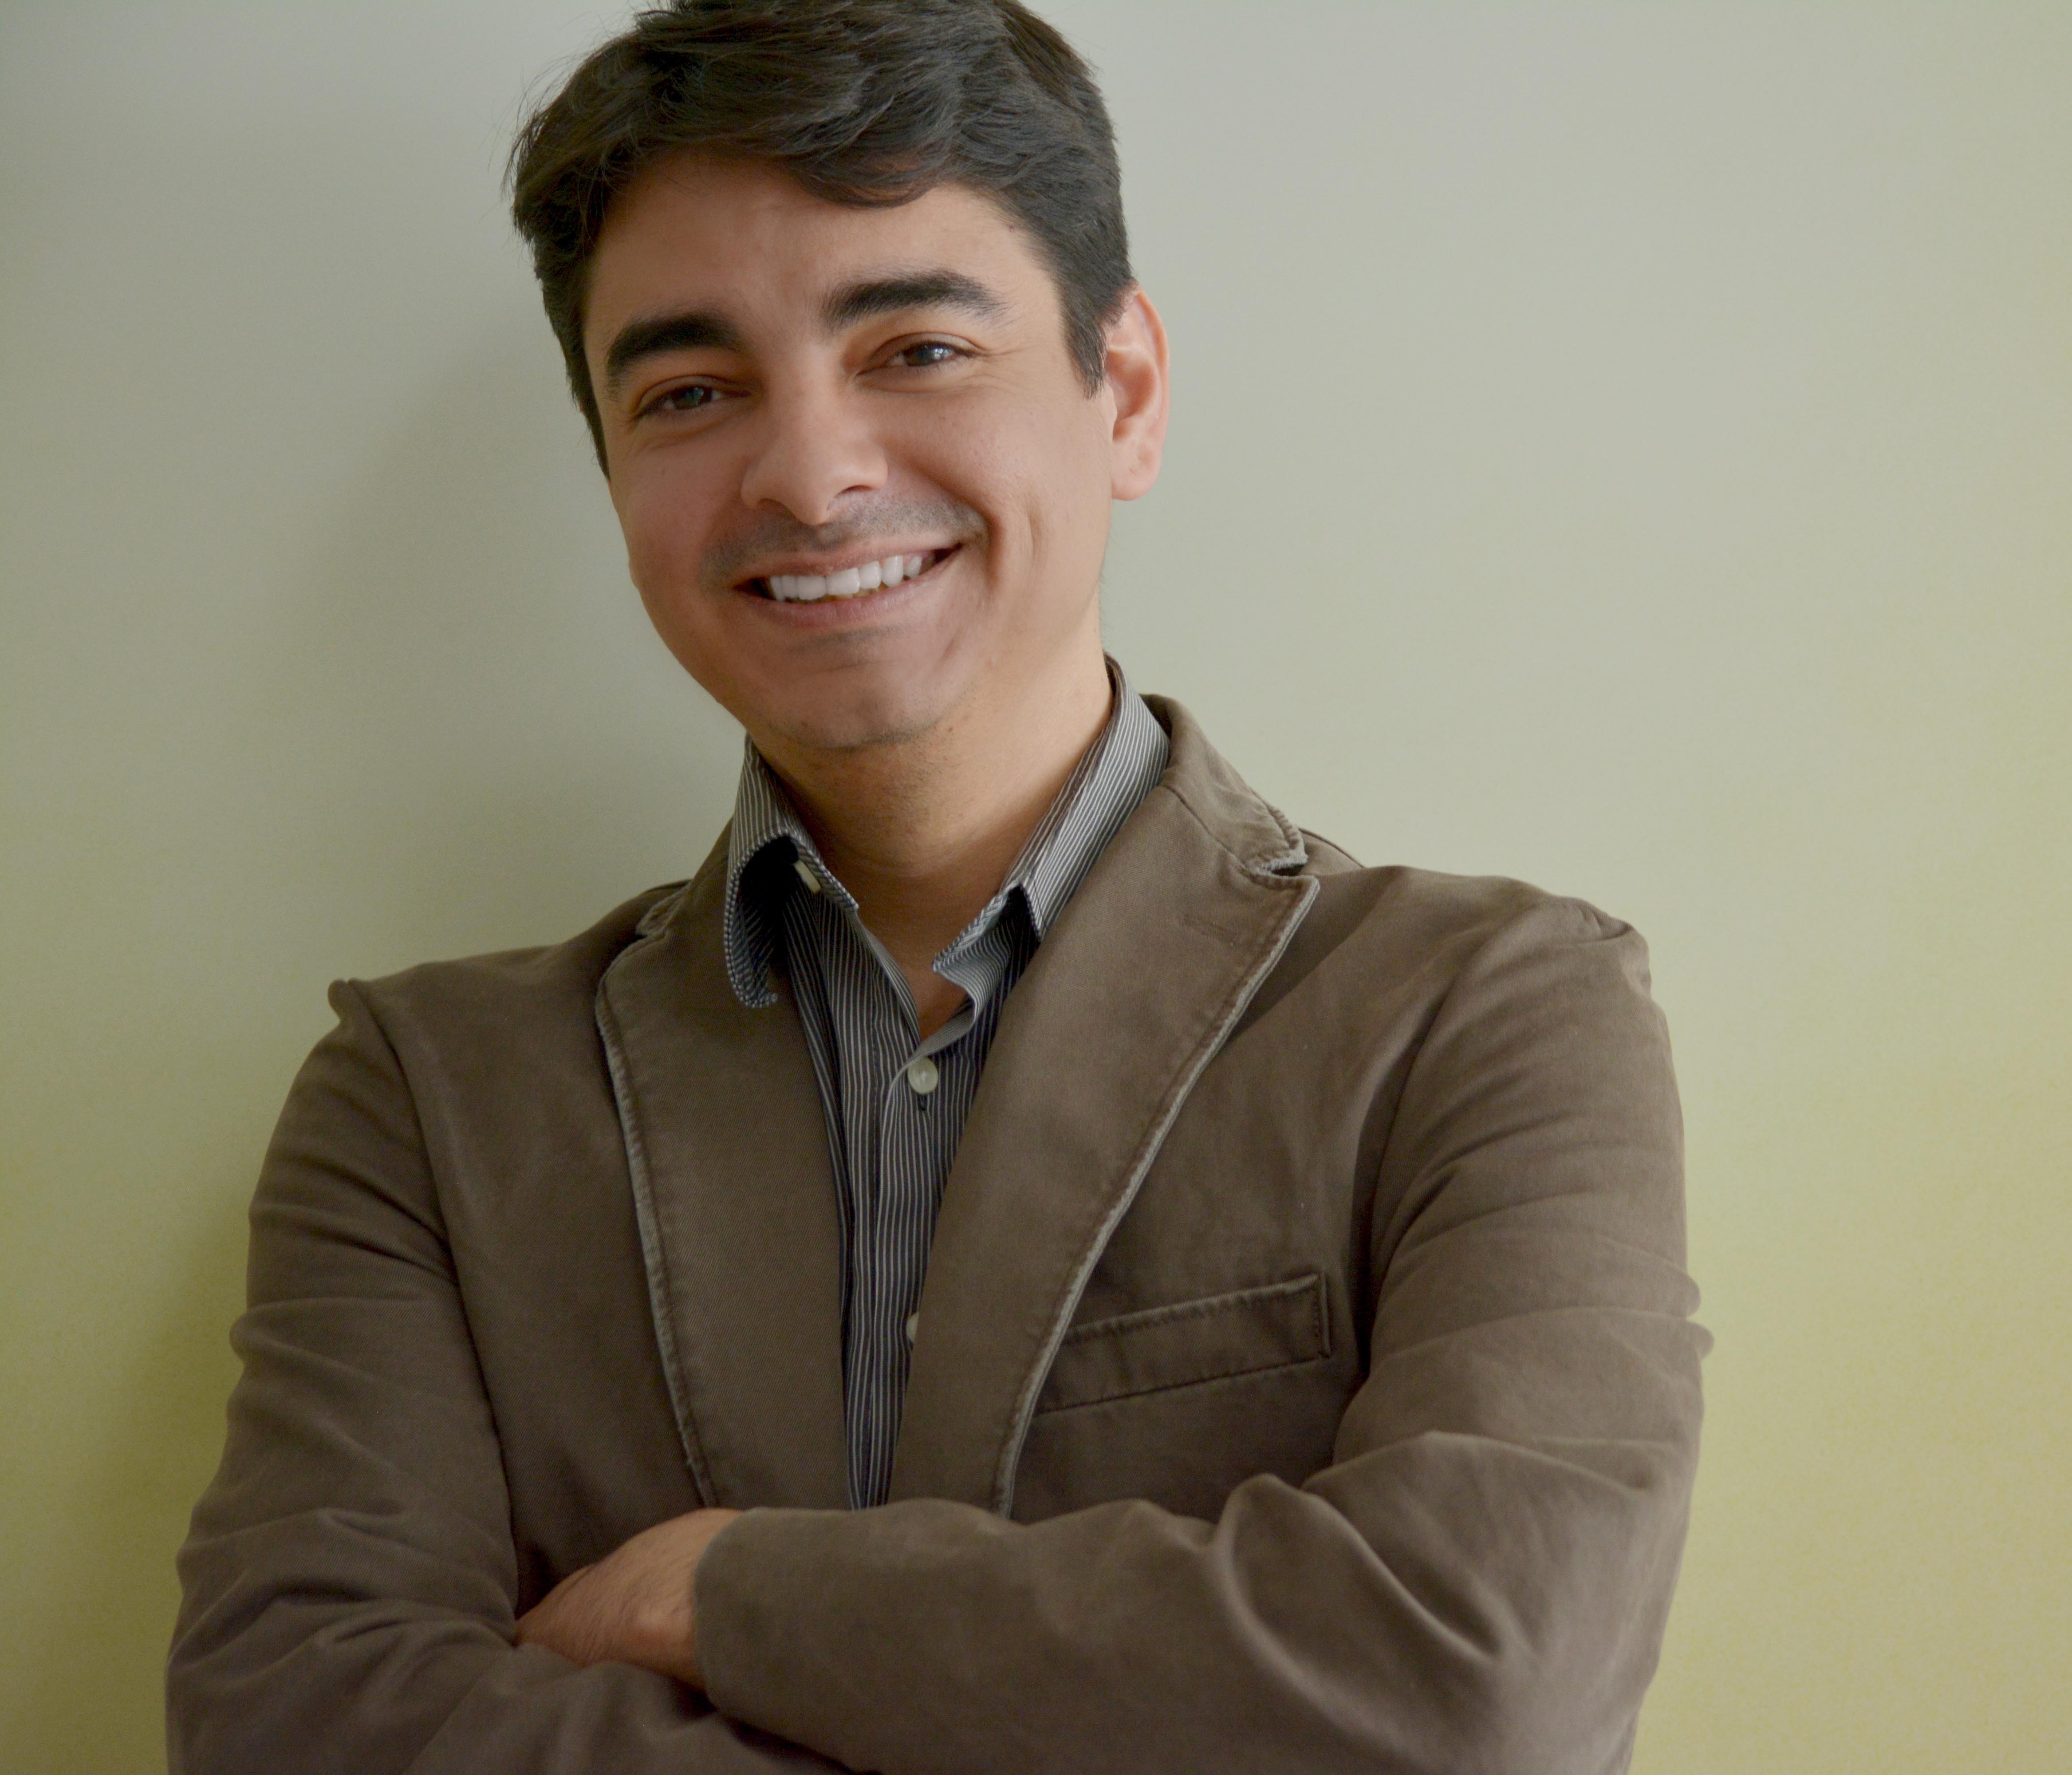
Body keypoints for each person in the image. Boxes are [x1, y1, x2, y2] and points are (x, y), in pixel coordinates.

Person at [167, 2, 1706, 1769]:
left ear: (1126, 391)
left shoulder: (1486, 1014)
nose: (812, 476)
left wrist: (726, 1591)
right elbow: (291, 1724)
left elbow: (1481, 1684)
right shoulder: (426, 1104)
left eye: (915, 347)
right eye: (689, 392)